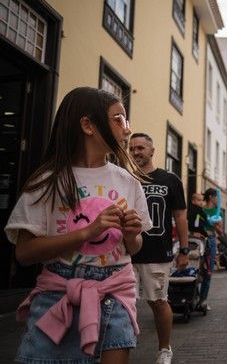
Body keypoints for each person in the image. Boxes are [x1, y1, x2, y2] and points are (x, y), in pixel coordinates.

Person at [5, 87, 152, 363]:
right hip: (58, 295)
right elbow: (24, 252)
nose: (127, 129)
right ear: (88, 125)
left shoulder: (128, 182)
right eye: (119, 119)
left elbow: (133, 247)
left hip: (115, 291)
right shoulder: (48, 181)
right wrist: (87, 232)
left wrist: (132, 235)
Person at [129, 132, 189, 364]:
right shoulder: (126, 178)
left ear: (152, 151)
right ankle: (118, 346)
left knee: (158, 302)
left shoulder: (170, 180)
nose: (136, 152)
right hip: (126, 253)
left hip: (158, 252)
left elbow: (180, 216)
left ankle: (164, 349)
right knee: (122, 304)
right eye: (132, 148)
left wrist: (184, 250)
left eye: (141, 148)